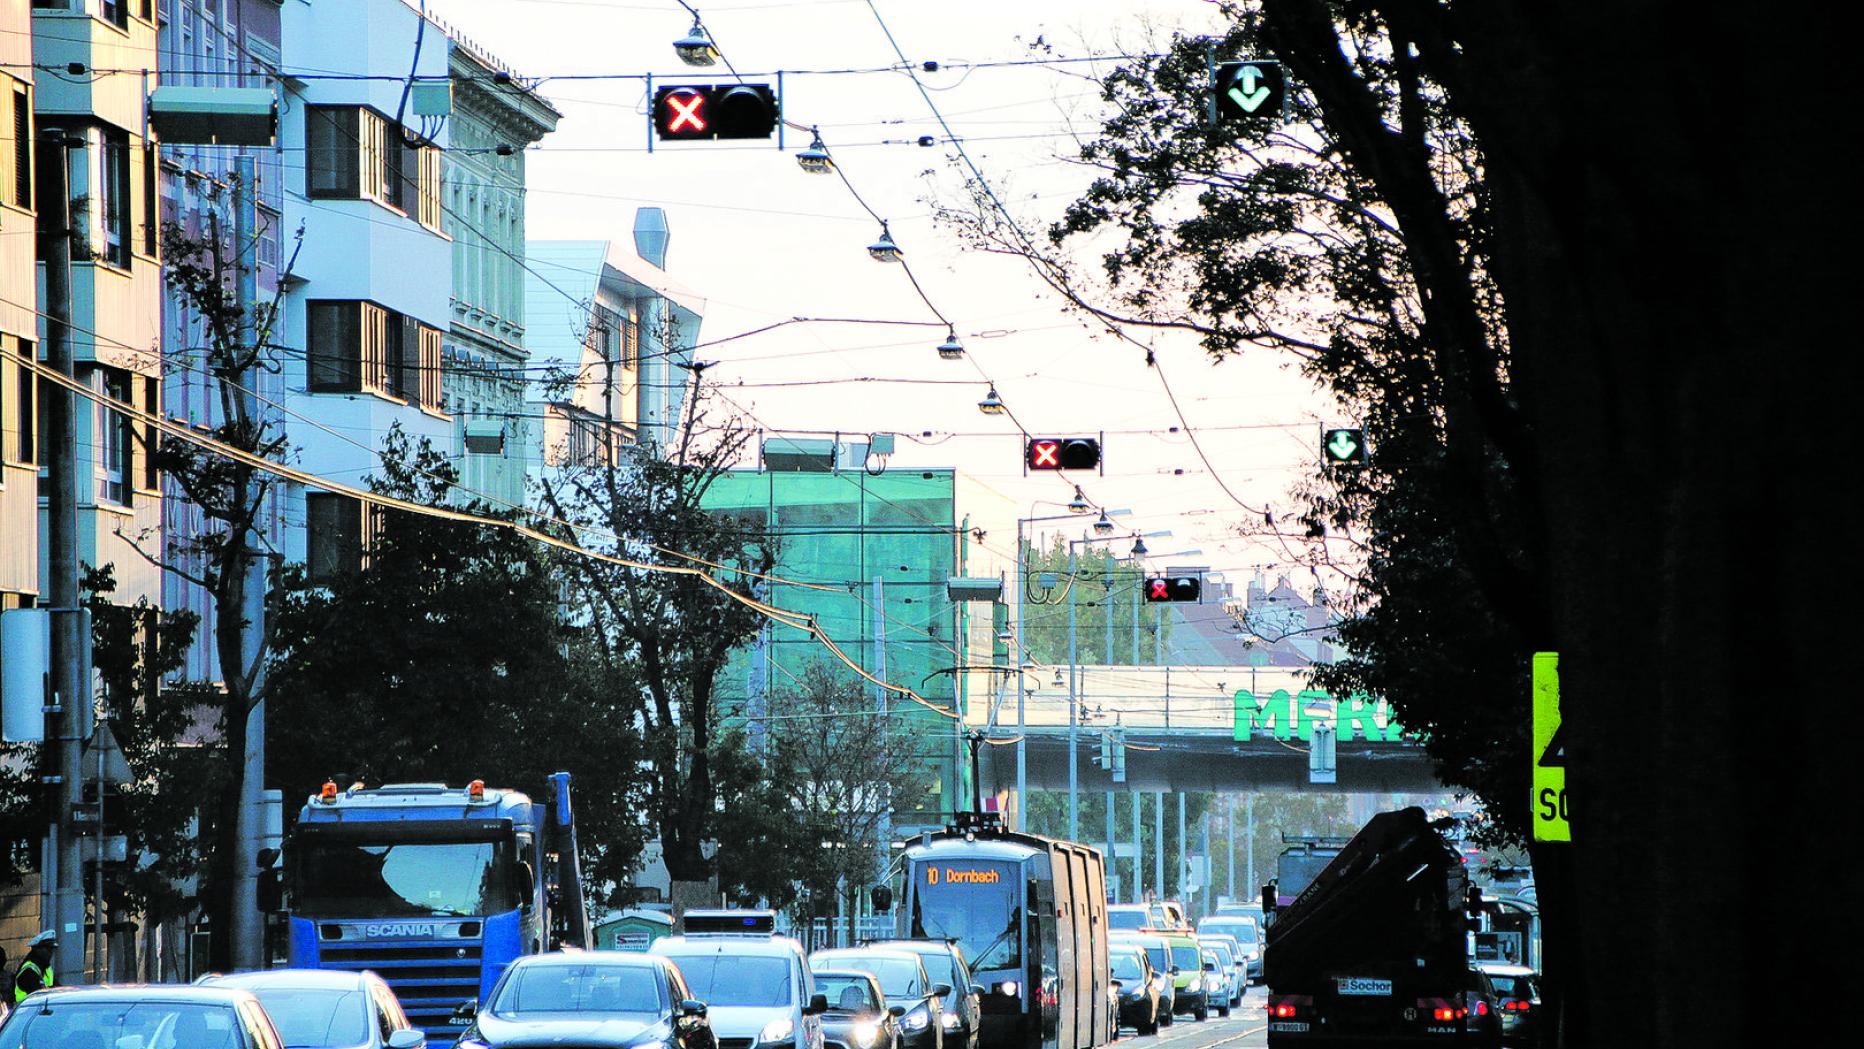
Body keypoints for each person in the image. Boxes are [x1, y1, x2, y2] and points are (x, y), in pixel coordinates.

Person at [13, 930, 55, 1003]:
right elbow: (38, 996)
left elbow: (57, 988)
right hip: (27, 1008)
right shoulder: (28, 971)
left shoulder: (46, 968)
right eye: (47, 949)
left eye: (51, 949)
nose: (50, 953)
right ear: (36, 950)